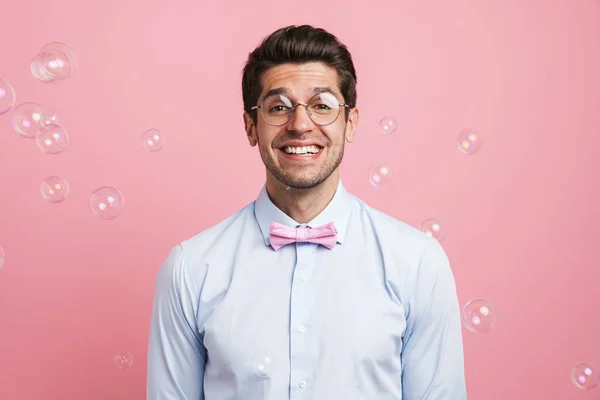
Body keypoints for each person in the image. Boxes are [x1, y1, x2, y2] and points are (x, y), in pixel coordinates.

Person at [146, 24, 467, 399]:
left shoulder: (418, 262)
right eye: (279, 107)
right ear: (251, 126)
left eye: (322, 106)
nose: (300, 124)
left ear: (350, 123)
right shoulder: (190, 268)